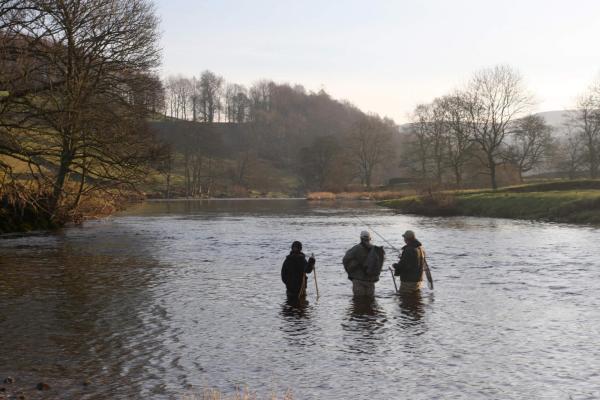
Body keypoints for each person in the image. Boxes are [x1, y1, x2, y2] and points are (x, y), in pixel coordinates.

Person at [342, 231, 385, 297]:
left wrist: (350, 271)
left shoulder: (356, 249)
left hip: (358, 280)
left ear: (361, 238)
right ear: (370, 239)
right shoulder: (376, 250)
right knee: (370, 302)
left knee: (358, 301)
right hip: (371, 280)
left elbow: (345, 260)